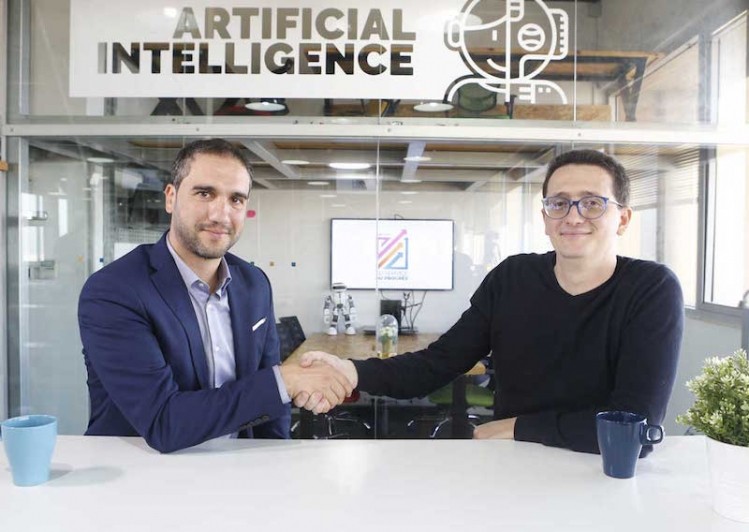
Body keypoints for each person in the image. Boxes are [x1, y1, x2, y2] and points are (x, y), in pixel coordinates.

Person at [301, 149, 684, 455]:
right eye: (559, 203)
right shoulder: (512, 278)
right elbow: (438, 363)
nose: (573, 216)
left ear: (623, 219)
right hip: (511, 464)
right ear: (545, 217)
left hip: (600, 469)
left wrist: (519, 427)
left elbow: (634, 425)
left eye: (592, 203)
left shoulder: (651, 289)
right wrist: (351, 371)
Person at [79, 138, 352, 453]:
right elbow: (163, 422)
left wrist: (277, 463)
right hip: (144, 472)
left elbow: (272, 407)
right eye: (204, 193)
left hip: (237, 468)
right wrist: (285, 381)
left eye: (236, 199)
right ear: (171, 197)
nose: (221, 214)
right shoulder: (115, 291)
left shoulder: (254, 284)